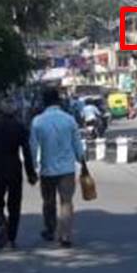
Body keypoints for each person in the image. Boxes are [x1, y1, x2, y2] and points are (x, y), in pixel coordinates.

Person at [29, 87, 89, 248]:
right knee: (66, 202)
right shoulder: (69, 119)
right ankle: (65, 236)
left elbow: (33, 147)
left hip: (47, 169)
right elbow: (77, 144)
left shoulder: (37, 121)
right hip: (67, 169)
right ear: (58, 101)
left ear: (44, 102)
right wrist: (82, 162)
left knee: (48, 202)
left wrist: (33, 166)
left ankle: (50, 229)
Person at [0, 100, 38, 250]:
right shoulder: (19, 127)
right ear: (14, 113)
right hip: (14, 169)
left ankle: (2, 222)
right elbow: (27, 153)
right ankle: (11, 238)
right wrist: (31, 173)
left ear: (1, 113)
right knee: (15, 205)